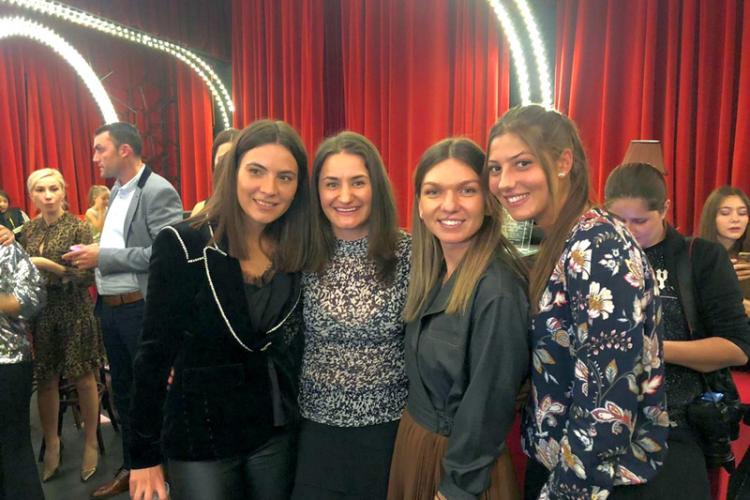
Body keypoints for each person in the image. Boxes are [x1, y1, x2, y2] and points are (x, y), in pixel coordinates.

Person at [486, 105, 668, 500]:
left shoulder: (597, 244)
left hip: (596, 482)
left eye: (522, 163)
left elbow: (607, 401)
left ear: (563, 162)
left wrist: (565, 492)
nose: (505, 182)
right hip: (565, 468)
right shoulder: (567, 239)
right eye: (496, 168)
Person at [128, 119, 310, 500]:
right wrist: (143, 454)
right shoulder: (184, 243)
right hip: (202, 435)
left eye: (285, 177)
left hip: (273, 427)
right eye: (256, 171)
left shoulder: (297, 247)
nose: (269, 188)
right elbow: (153, 354)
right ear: (233, 172)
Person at [387, 138, 529, 500]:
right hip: (416, 445)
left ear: (488, 202)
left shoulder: (497, 290)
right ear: (420, 205)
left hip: (461, 468)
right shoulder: (432, 273)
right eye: (434, 191)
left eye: (467, 190)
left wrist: (456, 489)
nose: (449, 205)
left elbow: (489, 404)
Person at [604, 163, 750, 498]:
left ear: (665, 209)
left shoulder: (700, 257)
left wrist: (650, 349)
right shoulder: (598, 259)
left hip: (676, 426)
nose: (628, 231)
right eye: (618, 221)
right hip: (608, 426)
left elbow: (736, 347)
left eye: (640, 221)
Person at [62, 122, 183, 499]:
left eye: (101, 149)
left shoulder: (158, 190)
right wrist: (94, 257)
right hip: (111, 310)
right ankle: (134, 468)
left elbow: (166, 255)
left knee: (151, 396)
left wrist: (104, 257)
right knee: (126, 396)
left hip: (140, 309)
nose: (94, 157)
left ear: (125, 150)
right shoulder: (117, 190)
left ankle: (167, 474)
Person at [291, 132, 410, 499]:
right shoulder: (299, 253)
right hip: (315, 429)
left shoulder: (410, 252)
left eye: (358, 182)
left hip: (390, 429)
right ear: (317, 191)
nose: (344, 196)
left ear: (377, 187)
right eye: (331, 184)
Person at [19, 168, 106, 483]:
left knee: (83, 378)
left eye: (53, 189)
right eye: (40, 190)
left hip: (74, 309)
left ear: (63, 191)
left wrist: (51, 267)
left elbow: (87, 276)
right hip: (42, 314)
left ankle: (91, 442)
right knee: (46, 380)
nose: (48, 196)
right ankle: (53, 444)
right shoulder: (28, 230)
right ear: (32, 195)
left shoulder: (78, 227)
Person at [0, 241, 45, 499]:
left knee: (13, 447)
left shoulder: (6, 248)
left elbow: (34, 297)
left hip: (8, 362)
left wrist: (6, 302)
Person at [699, 186, 750, 317]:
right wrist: (723, 279)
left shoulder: (745, 259)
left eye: (742, 213)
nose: (735, 219)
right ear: (711, 217)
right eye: (725, 213)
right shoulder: (694, 255)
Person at [190, 127, 240, 216]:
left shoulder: (255, 209)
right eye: (222, 159)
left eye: (233, 159)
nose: (228, 165)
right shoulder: (201, 209)